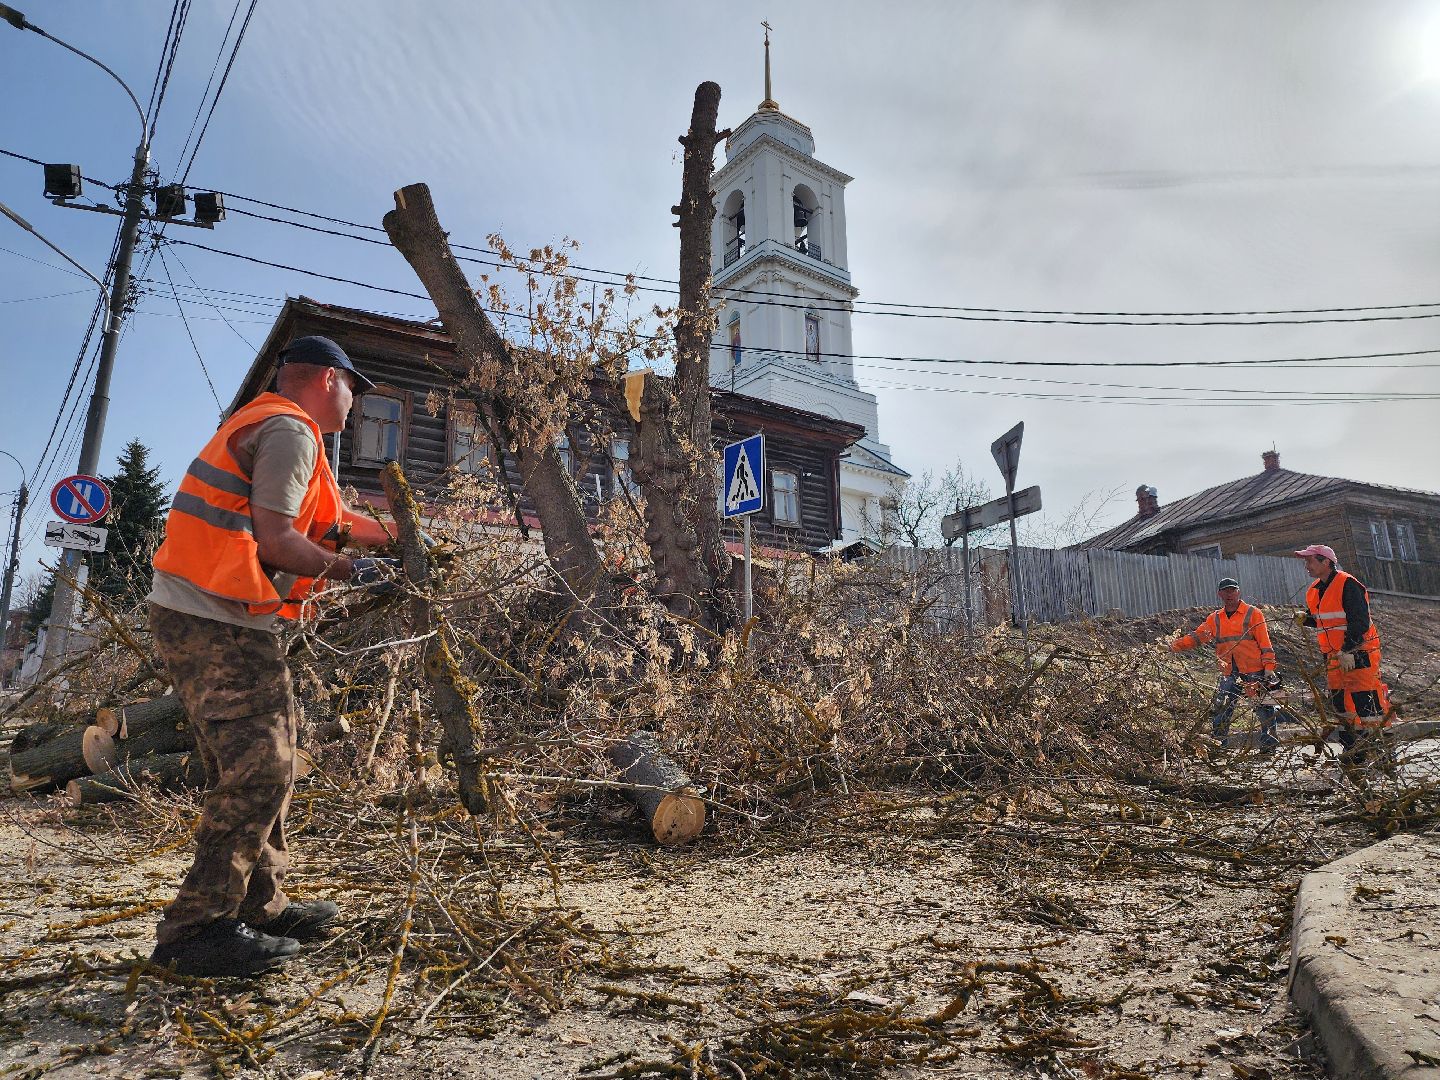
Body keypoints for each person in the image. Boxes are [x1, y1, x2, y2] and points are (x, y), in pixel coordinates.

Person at [146, 335, 399, 977]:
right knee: (263, 765)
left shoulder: (287, 435)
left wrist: (412, 539)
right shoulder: (290, 430)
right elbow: (281, 540)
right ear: (322, 379)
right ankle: (195, 932)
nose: (357, 401)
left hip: (217, 615)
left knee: (266, 756)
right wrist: (353, 573)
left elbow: (337, 521)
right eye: (353, 386)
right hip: (213, 618)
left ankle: (260, 905)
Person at [1293, 544, 1390, 758]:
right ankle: (1353, 754)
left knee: (1366, 703)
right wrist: (1306, 618)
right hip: (1334, 656)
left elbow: (1359, 622)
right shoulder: (1315, 590)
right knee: (1343, 706)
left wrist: (1348, 649)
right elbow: (1324, 620)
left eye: (1309, 561)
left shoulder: (1348, 584)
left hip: (1358, 652)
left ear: (1325, 562)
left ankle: (1379, 754)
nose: (1306, 566)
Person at [1170, 577, 1282, 750]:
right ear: (1220, 594)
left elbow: (1265, 643)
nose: (1229, 594)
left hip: (1254, 671)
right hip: (1229, 672)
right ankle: (1219, 748)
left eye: (1232, 590)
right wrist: (1172, 646)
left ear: (1238, 592)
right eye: (1226, 591)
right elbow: (1197, 637)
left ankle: (1269, 747)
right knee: (1221, 710)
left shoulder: (1253, 613)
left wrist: (1268, 669)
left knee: (1264, 710)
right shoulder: (1215, 619)